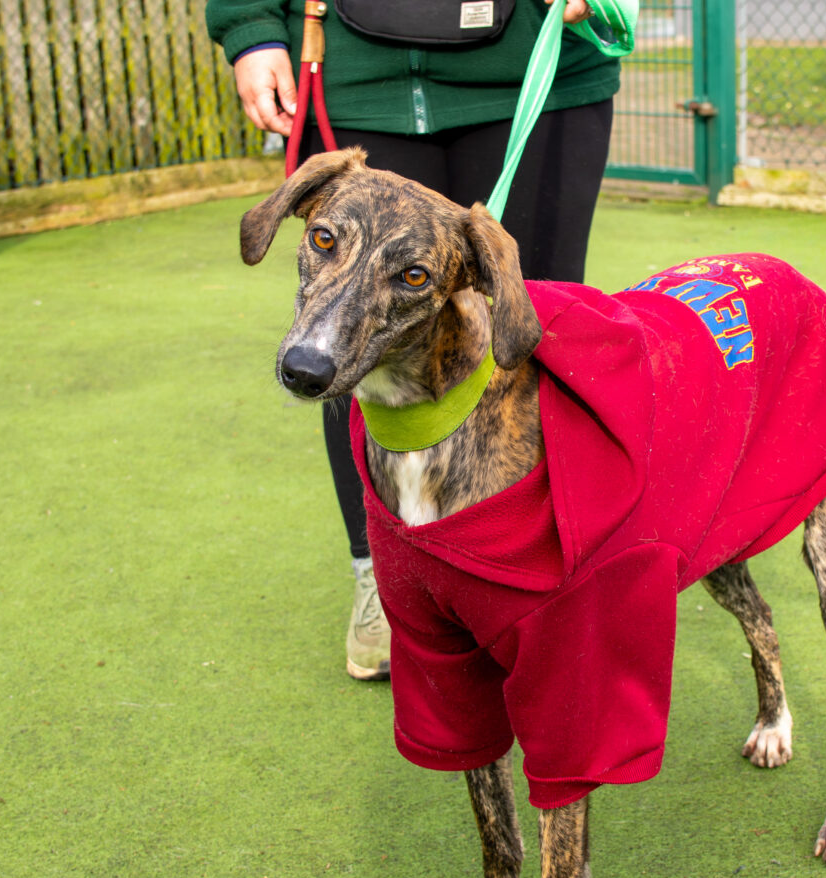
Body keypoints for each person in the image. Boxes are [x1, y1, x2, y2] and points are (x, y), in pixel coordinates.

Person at [205, 0, 620, 680]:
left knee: (527, 349)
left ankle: (530, 577)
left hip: (538, 61)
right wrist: (250, 29)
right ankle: (385, 576)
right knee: (353, 349)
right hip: (356, 65)